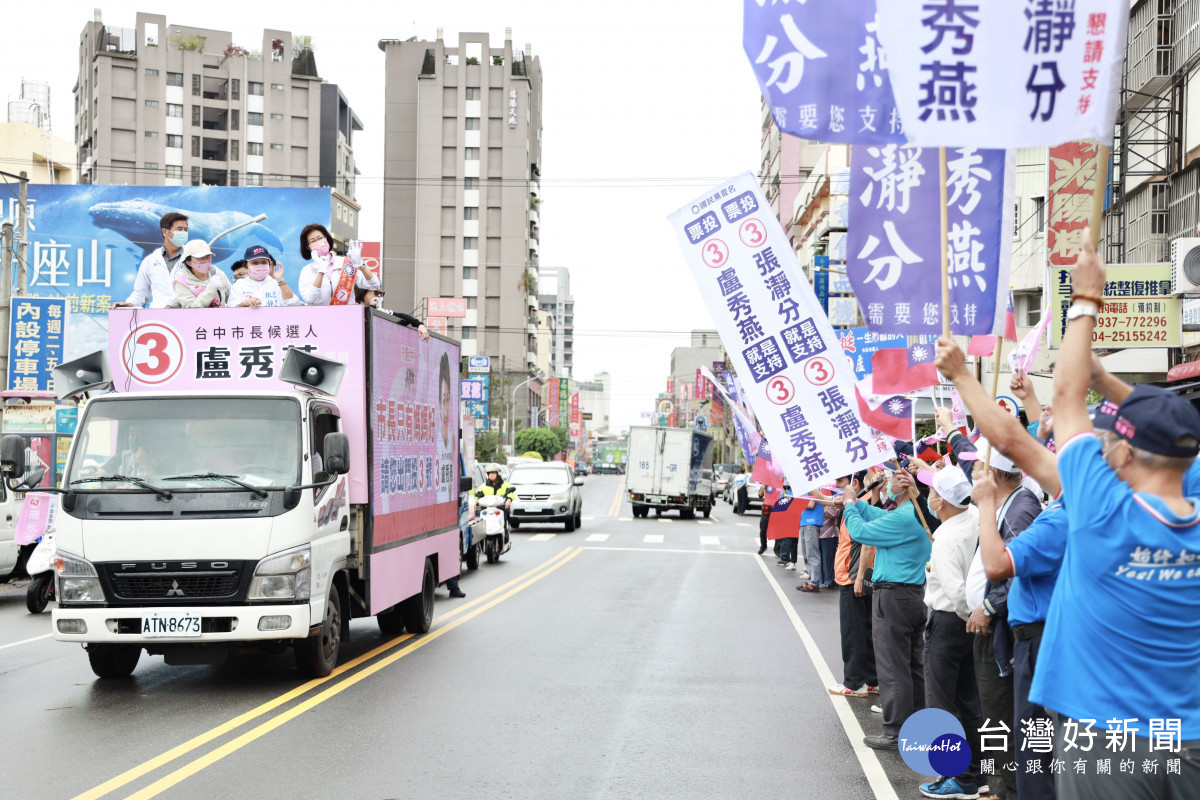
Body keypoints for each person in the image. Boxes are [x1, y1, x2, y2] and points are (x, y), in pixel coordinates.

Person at [1035, 232, 1200, 796]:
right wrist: (1103, 378)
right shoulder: (1189, 490)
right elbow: (1076, 398)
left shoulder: (1101, 510)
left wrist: (1084, 300)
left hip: (1108, 738)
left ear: (1124, 452)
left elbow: (1063, 396)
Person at [842, 468, 932, 750]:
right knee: (912, 665)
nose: (888, 481)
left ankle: (895, 730)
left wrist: (848, 506)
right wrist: (858, 502)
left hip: (893, 597)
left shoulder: (903, 519)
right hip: (913, 596)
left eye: (892, 478)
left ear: (905, 487)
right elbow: (876, 516)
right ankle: (916, 721)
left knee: (892, 667)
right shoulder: (910, 516)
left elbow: (860, 531)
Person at [917, 465, 986, 800]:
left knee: (941, 704)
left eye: (932, 492)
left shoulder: (946, 538)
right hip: (972, 624)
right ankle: (977, 774)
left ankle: (955, 776)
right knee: (970, 701)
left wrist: (967, 616)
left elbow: (957, 592)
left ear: (941, 502)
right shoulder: (975, 517)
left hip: (949, 622)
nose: (928, 497)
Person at [830, 471, 879, 698]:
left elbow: (866, 542)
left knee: (853, 632)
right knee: (867, 630)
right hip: (860, 576)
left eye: (841, 482)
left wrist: (859, 578)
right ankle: (871, 680)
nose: (837, 486)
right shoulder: (862, 505)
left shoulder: (857, 511)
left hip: (853, 577)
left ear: (855, 483)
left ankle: (854, 682)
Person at [114, 211, 188, 309]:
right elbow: (141, 293)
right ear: (165, 232)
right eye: (179, 229)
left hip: (188, 317)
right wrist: (130, 303)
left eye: (186, 230)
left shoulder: (193, 258)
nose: (184, 233)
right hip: (159, 319)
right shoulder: (150, 261)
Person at [297, 224, 380, 306]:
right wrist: (321, 272)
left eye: (320, 238)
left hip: (346, 316)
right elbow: (309, 299)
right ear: (308, 247)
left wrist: (361, 265)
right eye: (313, 241)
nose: (318, 242)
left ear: (326, 238)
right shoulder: (307, 270)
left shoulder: (345, 263)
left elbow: (374, 284)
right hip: (320, 317)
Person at [228, 244, 303, 307]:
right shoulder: (238, 286)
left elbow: (295, 305)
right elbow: (230, 311)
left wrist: (280, 279)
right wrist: (245, 304)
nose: (260, 266)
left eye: (264, 262)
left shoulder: (276, 284)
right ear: (246, 266)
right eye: (255, 263)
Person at [355, 286, 431, 341]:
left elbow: (401, 316)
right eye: (376, 292)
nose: (379, 296)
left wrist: (419, 325)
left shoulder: (379, 311)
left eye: (381, 293)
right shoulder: (352, 309)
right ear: (363, 292)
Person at [173, 239, 231, 308]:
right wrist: (211, 288)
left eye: (208, 256)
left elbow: (231, 298)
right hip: (197, 318)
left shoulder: (217, 273)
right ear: (188, 262)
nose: (206, 260)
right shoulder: (182, 282)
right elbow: (192, 308)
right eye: (200, 257)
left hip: (221, 318)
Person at [797, 487, 824, 585]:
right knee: (806, 555)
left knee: (812, 554)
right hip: (804, 522)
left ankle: (814, 582)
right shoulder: (805, 489)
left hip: (812, 522)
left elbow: (811, 504)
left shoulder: (814, 487)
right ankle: (810, 579)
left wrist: (796, 502)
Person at [475, 465, 514, 529]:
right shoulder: (483, 486)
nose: (491, 475)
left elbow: (510, 493)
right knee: (479, 517)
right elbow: (478, 495)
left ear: (498, 474)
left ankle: (505, 533)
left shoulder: (506, 485)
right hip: (487, 508)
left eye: (493, 473)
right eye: (490, 473)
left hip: (500, 507)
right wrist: (475, 500)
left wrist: (508, 500)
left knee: (505, 514)